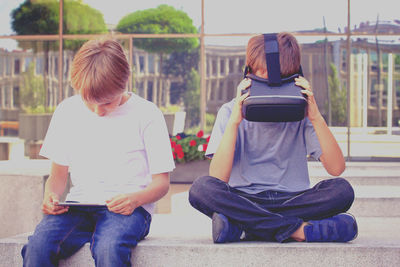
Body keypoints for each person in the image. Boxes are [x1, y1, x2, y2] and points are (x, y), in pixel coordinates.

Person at [188, 32, 357, 243]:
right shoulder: (230, 111)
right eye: (261, 74)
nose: (268, 81)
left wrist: (315, 116)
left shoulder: (303, 113)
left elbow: (336, 168)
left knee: (342, 190)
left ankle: (242, 226)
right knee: (201, 189)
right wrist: (234, 121)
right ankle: (299, 230)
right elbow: (218, 178)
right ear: (249, 71)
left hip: (293, 199)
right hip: (245, 198)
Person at [21, 38, 175, 266]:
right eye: (89, 102)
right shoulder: (66, 111)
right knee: (37, 246)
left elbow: (161, 183)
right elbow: (57, 177)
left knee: (109, 248)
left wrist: (135, 200)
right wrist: (50, 198)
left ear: (125, 81)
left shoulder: (147, 114)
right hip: (77, 206)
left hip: (129, 210)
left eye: (107, 103)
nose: (98, 111)